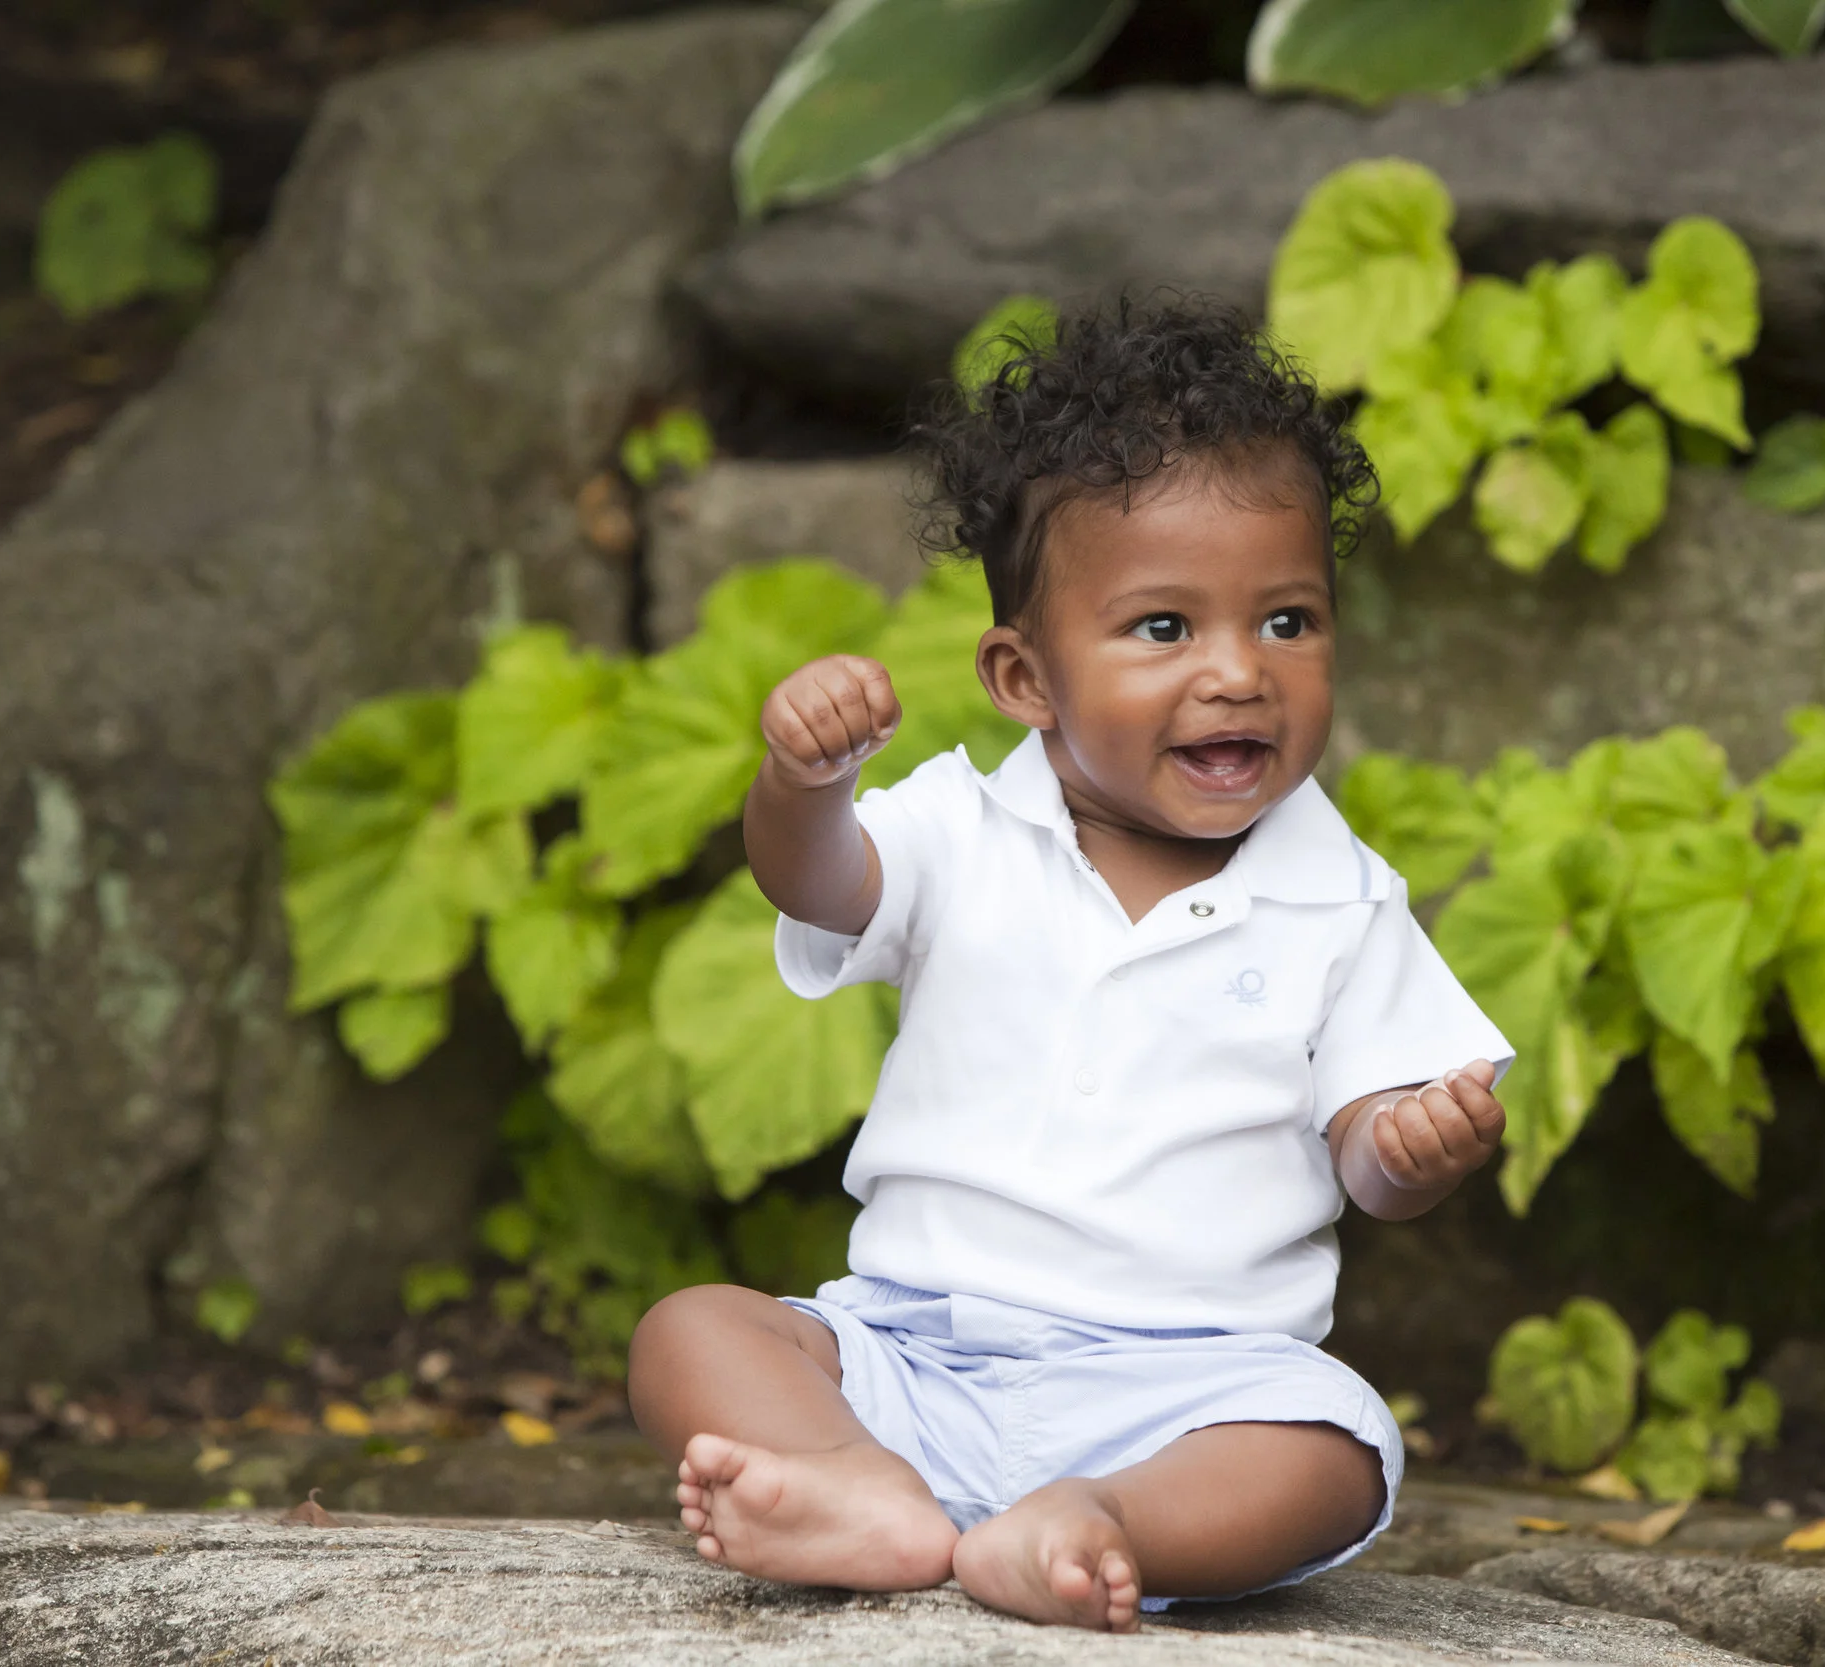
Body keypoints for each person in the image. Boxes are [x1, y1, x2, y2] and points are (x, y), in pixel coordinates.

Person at [626, 298, 1513, 1633]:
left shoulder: (1344, 898)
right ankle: (859, 1484)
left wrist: (1412, 1141)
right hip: (915, 1349)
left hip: (1190, 1393)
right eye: (1165, 629)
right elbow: (817, 882)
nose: (1238, 675)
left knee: (1337, 1445)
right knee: (694, 1328)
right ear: (1023, 677)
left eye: (1287, 622)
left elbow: (1366, 1162)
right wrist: (800, 784)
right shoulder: (959, 828)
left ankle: (1098, 1521)